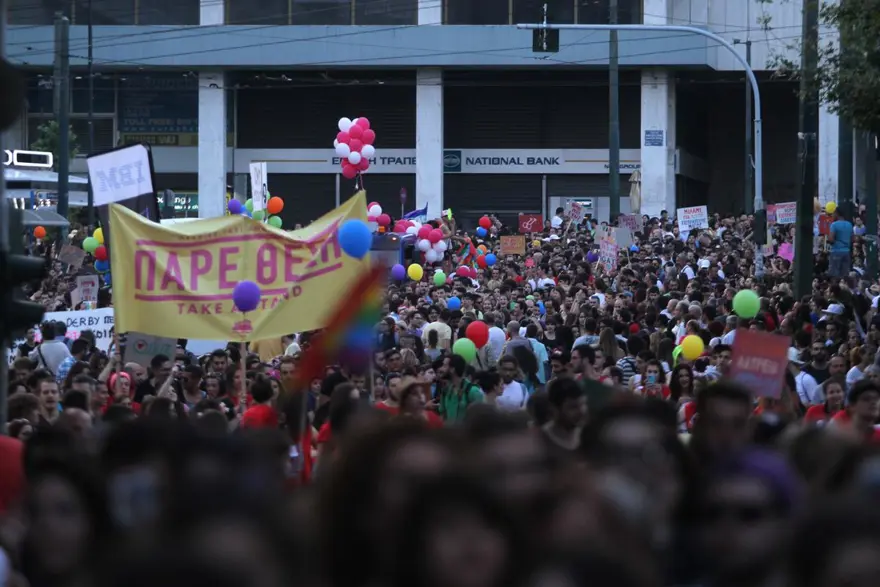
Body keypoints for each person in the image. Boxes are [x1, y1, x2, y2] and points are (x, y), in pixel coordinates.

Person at [827, 205, 853, 277]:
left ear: (837, 213)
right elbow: (852, 239)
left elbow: (831, 239)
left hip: (836, 251)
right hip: (846, 252)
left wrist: (830, 241)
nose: (832, 215)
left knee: (834, 275)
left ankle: (835, 287)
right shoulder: (849, 224)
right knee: (844, 276)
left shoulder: (834, 225)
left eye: (833, 213)